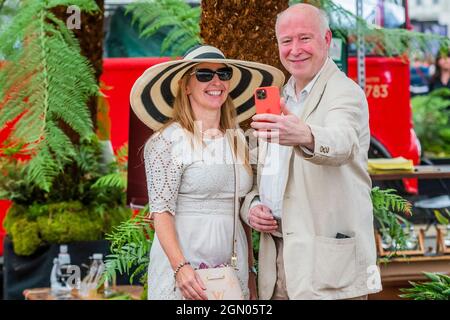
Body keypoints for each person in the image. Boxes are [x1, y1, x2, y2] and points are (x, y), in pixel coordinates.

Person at [241, 4, 382, 300]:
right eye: (286, 41)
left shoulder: (345, 91)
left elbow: (343, 142)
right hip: (277, 260)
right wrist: (252, 206)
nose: (295, 49)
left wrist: (305, 135)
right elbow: (255, 177)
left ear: (327, 39)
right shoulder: (277, 96)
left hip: (326, 265)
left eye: (304, 38)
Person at [130, 45, 284, 300]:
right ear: (186, 85)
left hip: (232, 268)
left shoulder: (238, 141)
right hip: (186, 269)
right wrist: (180, 268)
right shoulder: (167, 141)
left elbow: (238, 207)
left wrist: (251, 272)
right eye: (204, 74)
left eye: (223, 74)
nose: (216, 81)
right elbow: (161, 213)